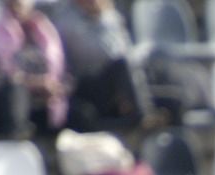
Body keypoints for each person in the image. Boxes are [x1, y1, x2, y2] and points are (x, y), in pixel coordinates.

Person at [49, 0, 153, 131]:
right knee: (121, 66)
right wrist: (97, 20)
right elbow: (93, 54)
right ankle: (140, 116)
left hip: (109, 81)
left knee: (129, 66)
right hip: (80, 84)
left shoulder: (112, 17)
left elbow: (127, 52)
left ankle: (143, 115)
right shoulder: (65, 20)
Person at [0, 0, 70, 138]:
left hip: (40, 103)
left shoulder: (46, 31)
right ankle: (18, 138)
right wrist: (32, 83)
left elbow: (59, 71)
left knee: (79, 113)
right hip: (1, 107)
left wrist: (53, 86)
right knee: (16, 91)